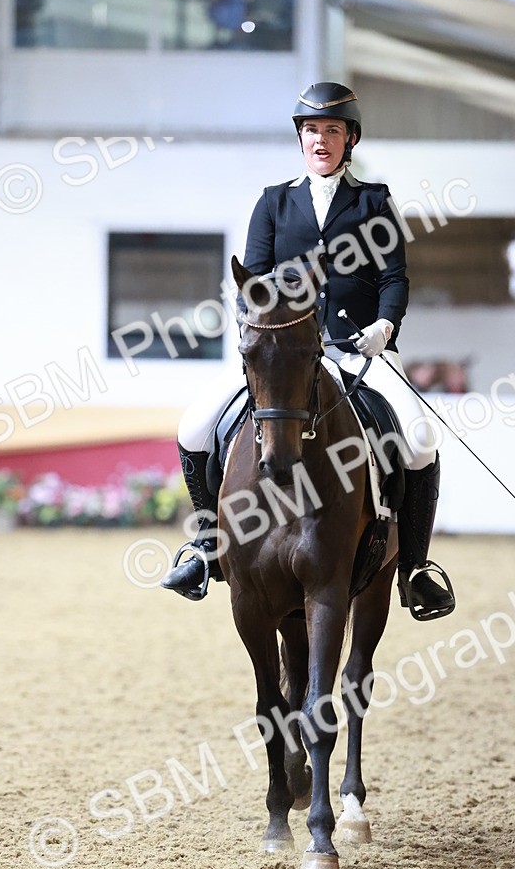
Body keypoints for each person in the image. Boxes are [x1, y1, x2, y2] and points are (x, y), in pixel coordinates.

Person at [161, 81, 455, 622]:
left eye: (332, 131)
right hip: (283, 354)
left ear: (351, 139)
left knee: (419, 439)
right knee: (195, 427)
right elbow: (252, 283)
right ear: (301, 139)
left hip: (355, 353)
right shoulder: (273, 202)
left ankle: (415, 568)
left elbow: (394, 277)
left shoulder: (374, 201)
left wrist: (385, 327)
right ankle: (205, 547)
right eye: (312, 131)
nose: (321, 141)